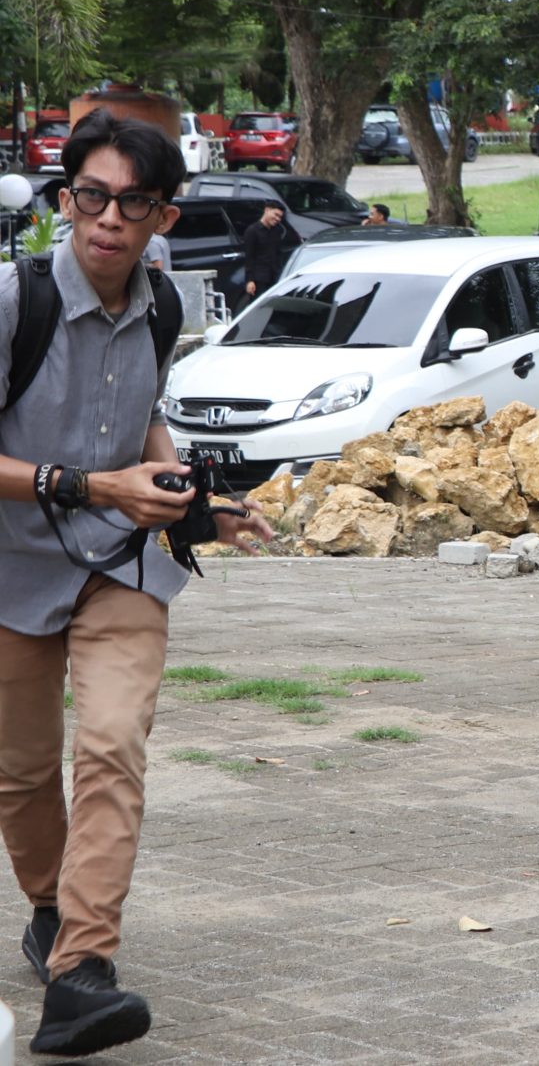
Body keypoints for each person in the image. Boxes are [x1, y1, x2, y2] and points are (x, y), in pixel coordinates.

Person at [0, 110, 273, 1056]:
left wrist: (190, 505)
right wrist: (88, 485)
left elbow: (144, 417)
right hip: (12, 567)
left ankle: (81, 970)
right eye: (93, 197)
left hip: (121, 563)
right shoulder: (16, 301)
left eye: (133, 203)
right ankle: (51, 908)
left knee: (112, 744)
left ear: (164, 216)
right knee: (22, 775)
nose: (110, 219)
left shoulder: (161, 304)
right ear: (66, 199)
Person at [237, 199, 291, 306]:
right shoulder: (252, 231)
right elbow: (249, 257)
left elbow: (278, 254)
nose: (277, 219)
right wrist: (250, 280)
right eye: (276, 215)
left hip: (274, 277)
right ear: (267, 210)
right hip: (259, 278)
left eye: (280, 217)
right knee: (258, 306)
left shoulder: (277, 231)